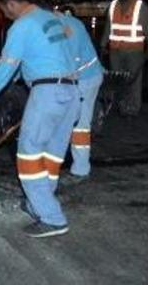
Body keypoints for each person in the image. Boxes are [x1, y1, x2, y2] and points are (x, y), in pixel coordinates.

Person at [0, 0, 80, 238]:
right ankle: (38, 204)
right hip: (71, 93)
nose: (6, 16)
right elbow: (35, 59)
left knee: (28, 153)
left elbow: (8, 63)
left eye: (4, 11)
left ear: (10, 5)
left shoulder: (22, 25)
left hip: (47, 93)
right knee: (52, 154)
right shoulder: (50, 19)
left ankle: (52, 218)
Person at [99, 0, 148, 117]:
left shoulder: (140, 6)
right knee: (118, 80)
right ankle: (121, 106)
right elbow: (108, 27)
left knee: (133, 81)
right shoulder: (112, 6)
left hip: (134, 51)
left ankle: (132, 109)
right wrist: (103, 44)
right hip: (115, 51)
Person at [60, 13, 104, 183]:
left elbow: (70, 59)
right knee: (73, 121)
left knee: (80, 125)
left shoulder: (66, 26)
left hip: (86, 78)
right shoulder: (65, 23)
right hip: (83, 76)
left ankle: (81, 169)